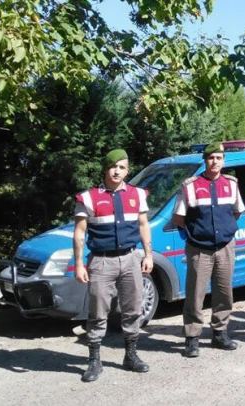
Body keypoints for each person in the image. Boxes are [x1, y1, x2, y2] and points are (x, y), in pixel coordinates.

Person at [73, 149, 152, 383]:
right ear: (105, 168)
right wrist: (78, 264)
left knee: (133, 309)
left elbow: (143, 225)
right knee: (98, 312)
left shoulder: (137, 194)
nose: (117, 171)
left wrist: (148, 255)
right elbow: (79, 232)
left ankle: (131, 356)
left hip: (131, 258)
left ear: (128, 170)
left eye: (122, 167)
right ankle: (94, 361)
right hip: (101, 261)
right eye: (113, 166)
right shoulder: (88, 198)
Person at [172, 142, 245, 357]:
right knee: (195, 294)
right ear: (205, 160)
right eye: (211, 158)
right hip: (199, 249)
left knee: (224, 292)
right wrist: (196, 233)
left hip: (225, 246)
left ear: (224, 161)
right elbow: (178, 217)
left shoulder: (231, 184)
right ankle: (192, 337)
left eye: (219, 158)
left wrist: (224, 230)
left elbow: (236, 212)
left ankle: (220, 333)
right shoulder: (190, 186)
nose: (215, 162)